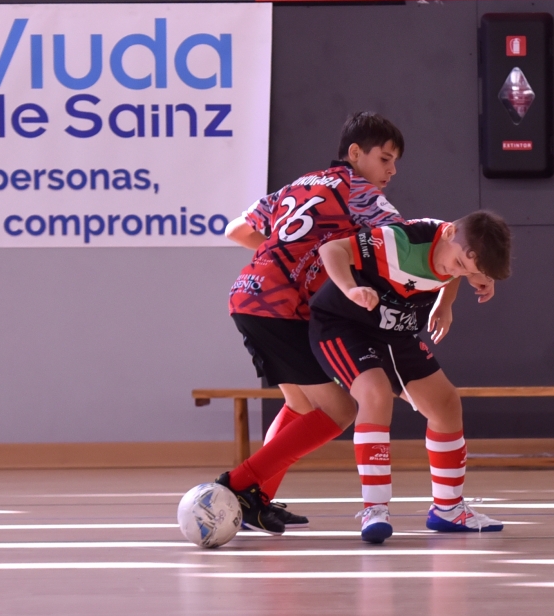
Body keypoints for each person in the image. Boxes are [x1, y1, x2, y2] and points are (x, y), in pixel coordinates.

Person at [218, 112, 413, 534]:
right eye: (385, 159)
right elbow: (404, 242)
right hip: (280, 308)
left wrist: (282, 257)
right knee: (341, 409)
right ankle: (237, 486)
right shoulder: (361, 193)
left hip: (248, 295)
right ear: (355, 153)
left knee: (301, 406)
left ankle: (255, 501)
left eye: (395, 162)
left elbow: (236, 230)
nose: (392, 171)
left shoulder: (300, 184)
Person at [310, 211, 511, 543]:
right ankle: (375, 509)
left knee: (446, 404)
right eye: (460, 264)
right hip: (343, 324)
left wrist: (447, 302)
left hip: (394, 330)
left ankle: (448, 509)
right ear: (449, 233)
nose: (459, 272)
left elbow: (454, 271)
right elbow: (332, 249)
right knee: (375, 394)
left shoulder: (457, 253)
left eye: (468, 270)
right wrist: (350, 289)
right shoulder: (399, 241)